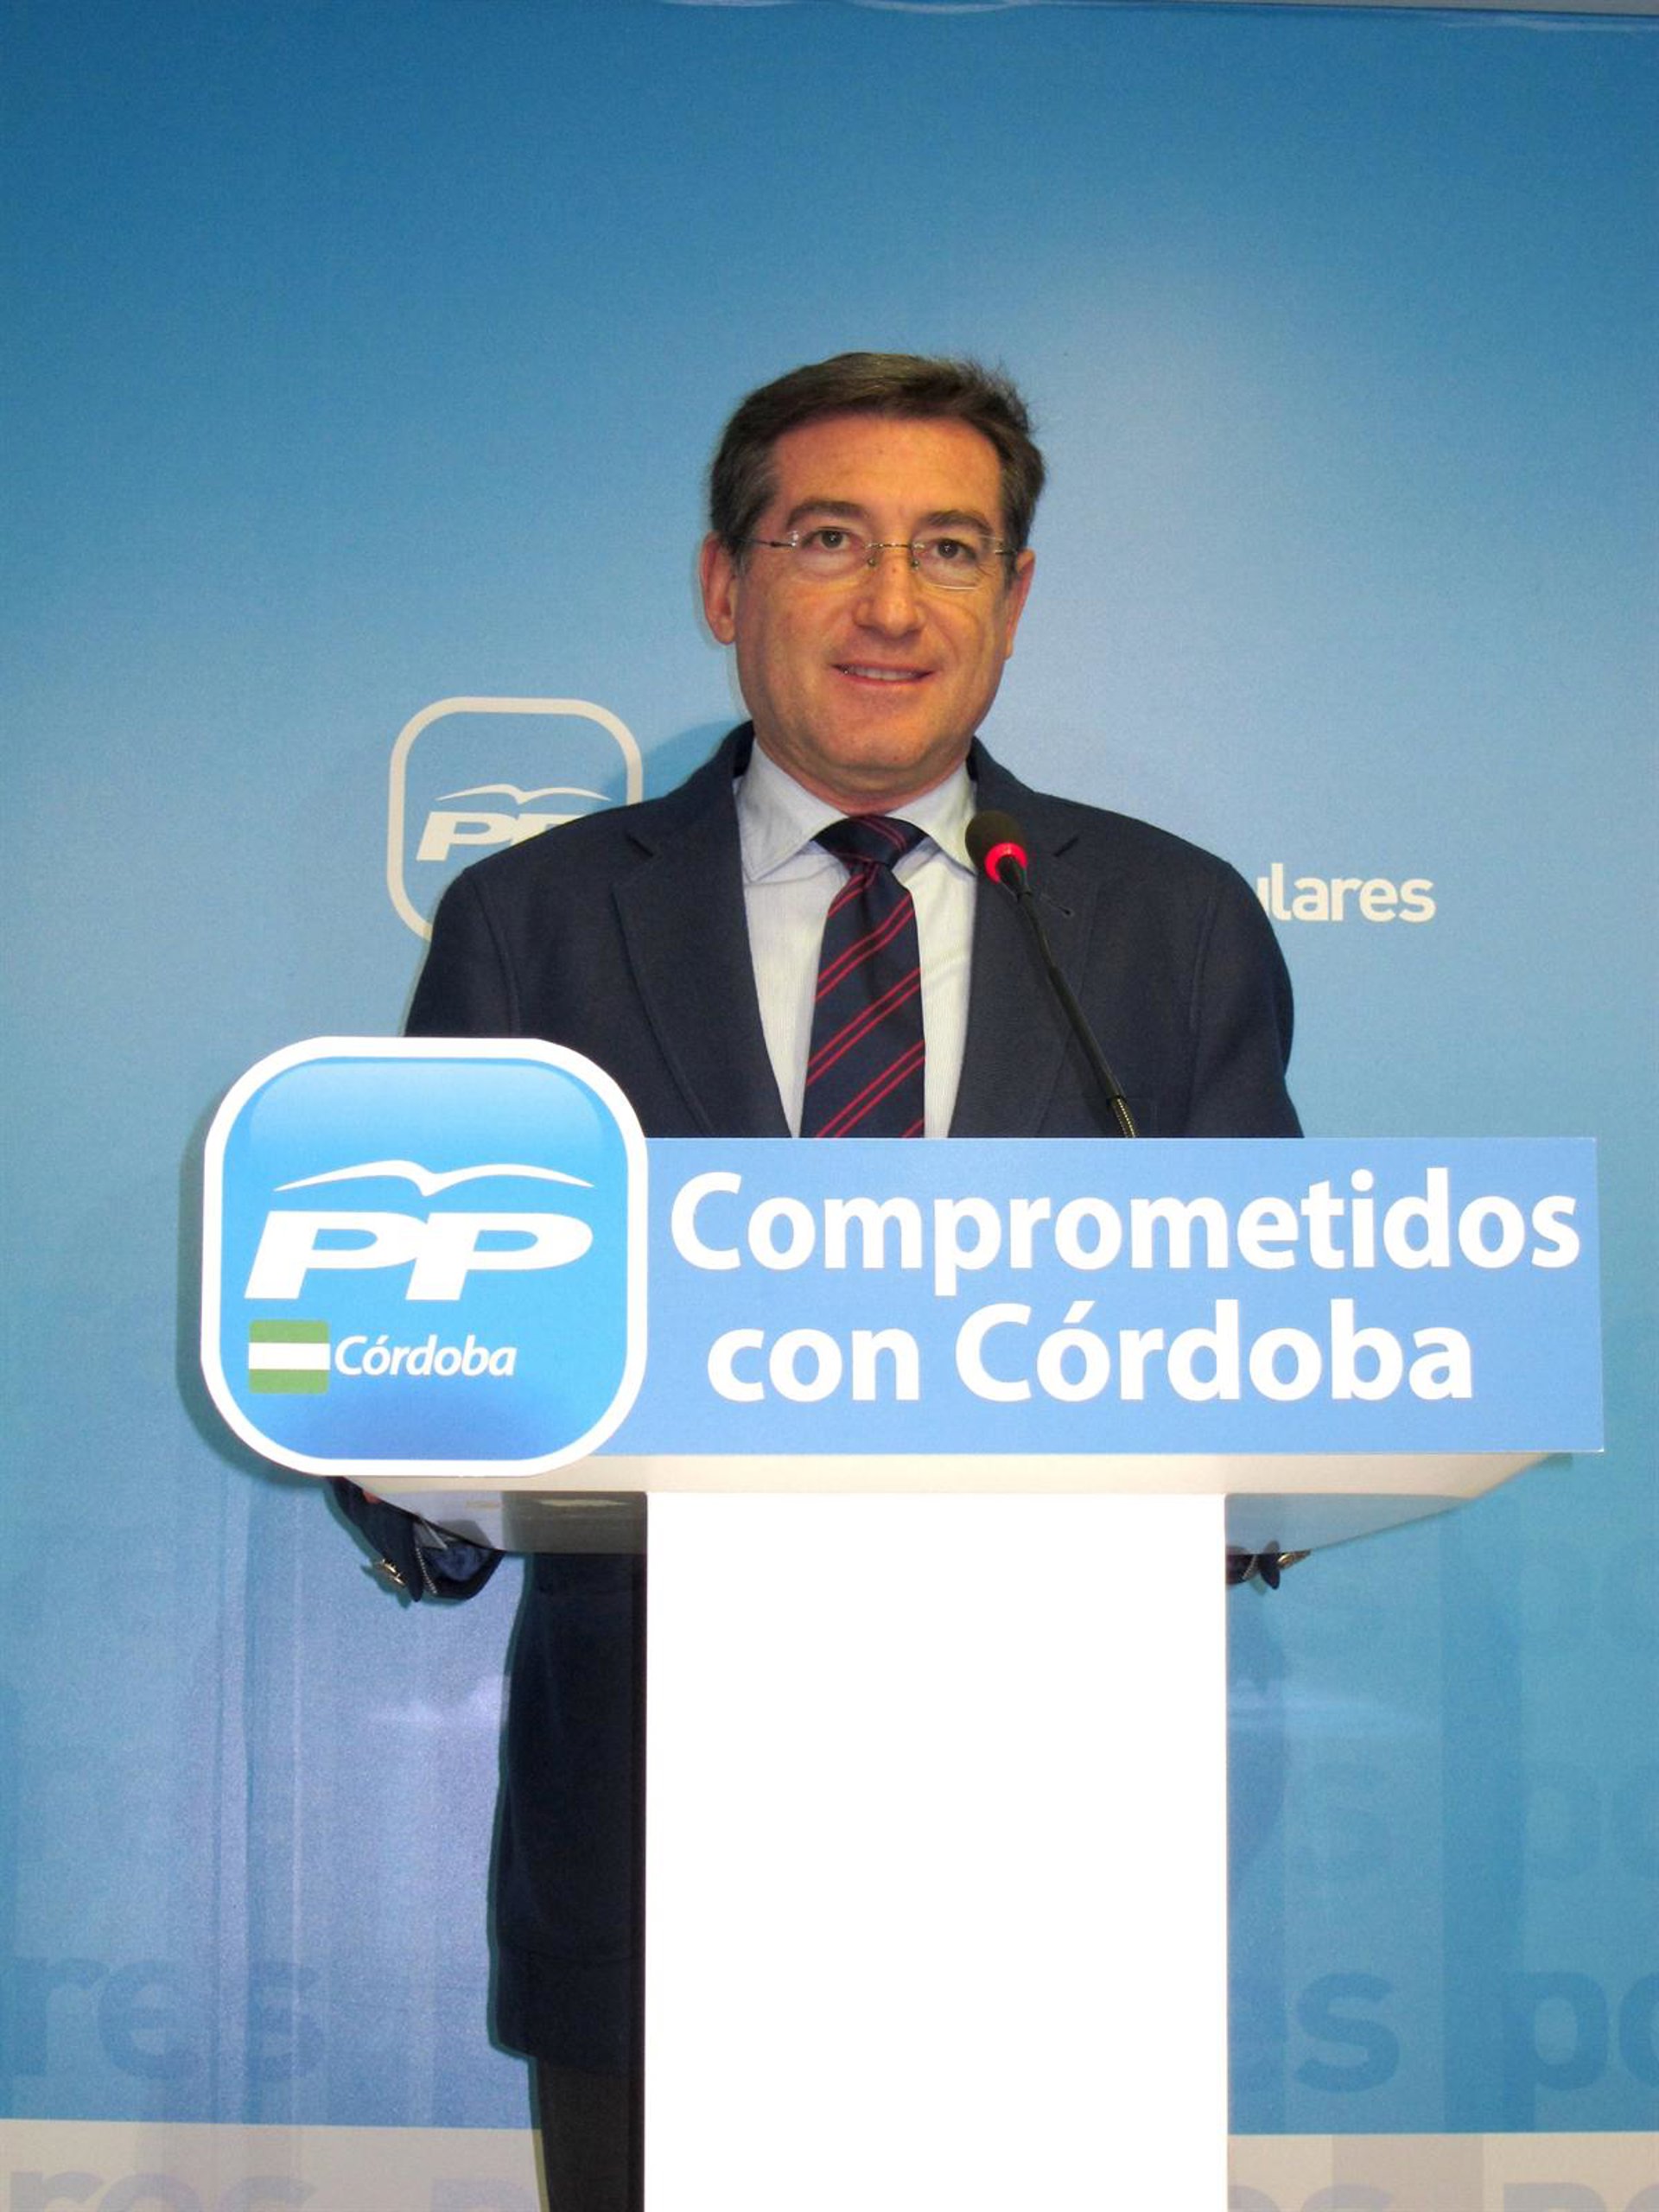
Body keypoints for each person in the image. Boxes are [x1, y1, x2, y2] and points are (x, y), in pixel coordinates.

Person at [333, 351, 1300, 2209]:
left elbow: (1271, 1355)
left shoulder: (1169, 926)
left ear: (1015, 597)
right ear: (726, 583)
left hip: (1052, 1842)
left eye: (952, 547)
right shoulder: (534, 922)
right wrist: (410, 1461)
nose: (892, 604)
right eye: (830, 539)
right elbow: (421, 1357)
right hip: (651, 1848)